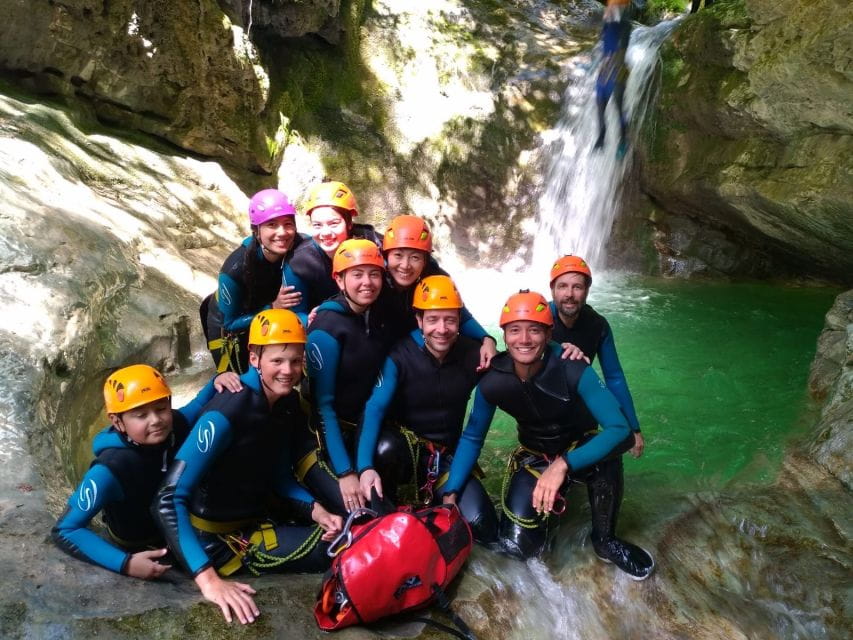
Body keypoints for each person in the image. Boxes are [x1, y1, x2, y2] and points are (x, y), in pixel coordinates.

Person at [442, 291, 654, 580]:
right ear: (503, 335)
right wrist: (452, 491)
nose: (525, 339)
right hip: (535, 456)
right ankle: (552, 507)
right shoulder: (494, 379)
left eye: (535, 330)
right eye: (515, 330)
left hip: (578, 450)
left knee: (606, 455)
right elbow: (472, 437)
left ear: (548, 333)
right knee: (521, 548)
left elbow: (621, 432)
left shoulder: (574, 368)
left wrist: (563, 464)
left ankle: (605, 540)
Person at [155, 310, 342, 625]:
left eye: (296, 361)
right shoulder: (228, 410)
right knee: (337, 552)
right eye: (278, 361)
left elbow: (280, 476)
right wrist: (208, 579)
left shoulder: (286, 405)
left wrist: (317, 511)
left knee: (342, 535)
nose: (288, 371)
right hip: (217, 542)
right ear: (254, 357)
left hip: (252, 521)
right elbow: (167, 497)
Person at [52, 365, 240, 578]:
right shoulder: (111, 468)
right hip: (140, 544)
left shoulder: (174, 425)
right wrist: (126, 563)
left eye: (161, 408)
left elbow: (196, 405)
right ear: (117, 422)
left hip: (174, 524)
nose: (156, 420)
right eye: (141, 415)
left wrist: (218, 379)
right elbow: (66, 529)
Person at [356, 275, 498, 543]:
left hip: (445, 459)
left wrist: (452, 491)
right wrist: (364, 467)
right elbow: (374, 408)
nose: (441, 329)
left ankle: (439, 496)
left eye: (450, 320)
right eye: (432, 319)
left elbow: (474, 433)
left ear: (460, 321)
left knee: (484, 527)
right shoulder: (399, 355)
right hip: (403, 455)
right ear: (419, 321)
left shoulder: (475, 357)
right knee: (386, 450)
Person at [296, 238, 394, 517]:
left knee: (379, 503)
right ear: (339, 280)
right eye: (357, 274)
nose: (367, 282)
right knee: (359, 512)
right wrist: (347, 472)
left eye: (374, 274)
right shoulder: (326, 329)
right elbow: (322, 406)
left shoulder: (376, 316)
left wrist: (365, 466)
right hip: (320, 436)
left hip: (358, 427)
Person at [202, 188, 305, 374]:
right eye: (272, 225)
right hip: (230, 324)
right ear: (257, 231)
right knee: (243, 385)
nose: (282, 232)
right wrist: (272, 307)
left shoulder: (300, 245)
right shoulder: (235, 269)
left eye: (288, 224)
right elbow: (230, 323)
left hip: (265, 310)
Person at [549, 255, 643, 457]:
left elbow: (614, 377)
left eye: (577, 287)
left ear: (587, 291)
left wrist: (633, 427)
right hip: (546, 415)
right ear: (552, 290)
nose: (569, 294)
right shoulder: (539, 319)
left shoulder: (597, 325)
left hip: (582, 411)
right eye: (563, 286)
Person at [380, 214, 497, 370]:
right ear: (387, 255)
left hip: (414, 346)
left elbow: (455, 313)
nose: (405, 265)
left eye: (415, 257)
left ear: (425, 261)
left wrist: (487, 339)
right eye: (398, 255)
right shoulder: (374, 277)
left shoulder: (435, 276)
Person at [281, 180, 382, 326]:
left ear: (349, 223)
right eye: (317, 225)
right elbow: (295, 312)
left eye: (334, 223)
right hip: (326, 325)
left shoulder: (372, 242)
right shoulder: (299, 262)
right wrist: (306, 320)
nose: (326, 233)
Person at [593, 0, 632, 157]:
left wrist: (614, 8)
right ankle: (602, 136)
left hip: (618, 70)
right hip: (605, 69)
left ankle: (623, 140)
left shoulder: (625, 25)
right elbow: (603, 43)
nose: (607, 10)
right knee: (600, 104)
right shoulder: (607, 24)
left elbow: (623, 34)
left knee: (618, 105)